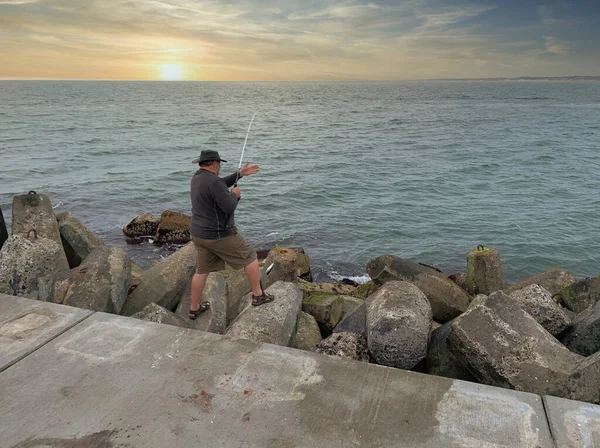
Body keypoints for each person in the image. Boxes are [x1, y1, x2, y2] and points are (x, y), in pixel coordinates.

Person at [188, 149, 273, 319]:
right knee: (250, 255)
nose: (219, 166)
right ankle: (258, 295)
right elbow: (228, 206)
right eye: (219, 163)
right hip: (218, 234)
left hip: (199, 234)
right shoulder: (214, 182)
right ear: (214, 164)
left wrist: (239, 174)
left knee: (201, 270)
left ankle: (194, 308)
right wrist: (235, 196)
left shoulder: (197, 178)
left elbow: (219, 184)